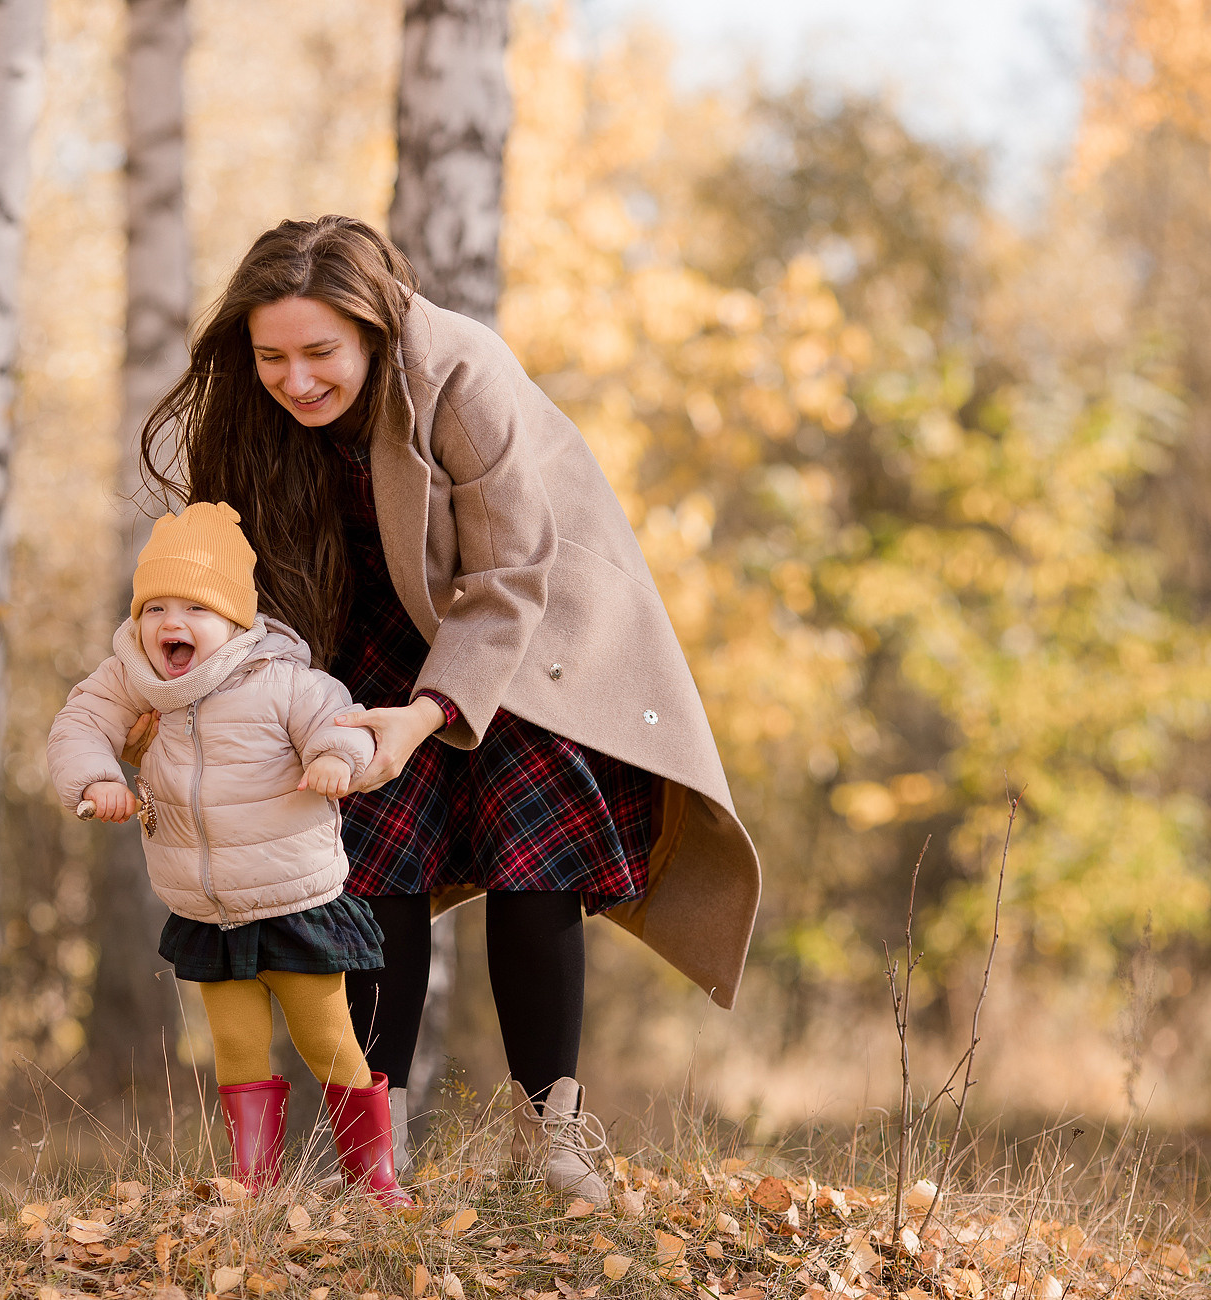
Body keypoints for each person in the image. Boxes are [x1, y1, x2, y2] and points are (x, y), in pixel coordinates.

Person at [138, 216, 762, 1206]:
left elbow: (511, 575)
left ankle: (552, 1140)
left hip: (528, 626)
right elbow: (229, 591)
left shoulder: (461, 370)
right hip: (374, 626)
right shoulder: (250, 419)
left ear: (375, 331)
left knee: (534, 860)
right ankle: (369, 1161)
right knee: (371, 861)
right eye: (272, 357)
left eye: (319, 354)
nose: (295, 381)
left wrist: (425, 715)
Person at [47, 501, 411, 1205]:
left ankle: (374, 1180)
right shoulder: (131, 677)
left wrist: (337, 758)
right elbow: (80, 725)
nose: (169, 624)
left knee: (327, 1037)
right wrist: (97, 777)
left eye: (193, 607)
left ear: (236, 621)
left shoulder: (278, 679)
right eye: (153, 607)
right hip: (207, 909)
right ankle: (255, 1185)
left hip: (294, 900)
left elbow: (339, 721)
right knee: (237, 1047)